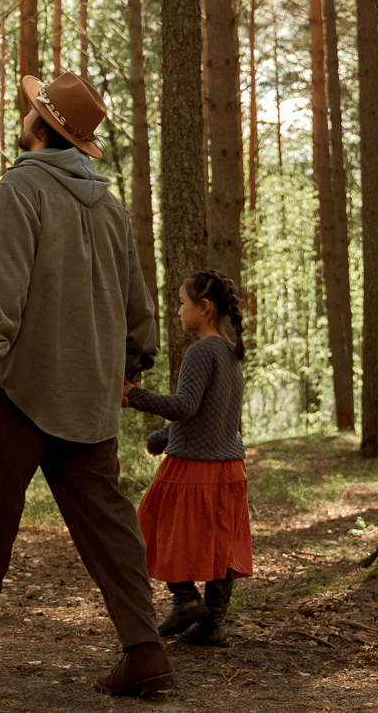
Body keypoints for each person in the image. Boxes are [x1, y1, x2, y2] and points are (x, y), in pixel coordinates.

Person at [0, 72, 175, 697]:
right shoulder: (110, 204)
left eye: (29, 111)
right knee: (109, 523)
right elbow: (139, 301)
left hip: (26, 389)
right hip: (90, 393)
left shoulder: (20, 187)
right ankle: (146, 652)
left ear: (40, 127)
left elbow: (2, 292)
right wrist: (133, 364)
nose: (23, 116)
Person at [122, 269, 252, 648]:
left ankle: (186, 601)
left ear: (204, 307)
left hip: (194, 467)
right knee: (221, 544)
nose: (178, 312)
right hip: (230, 467)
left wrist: (134, 395)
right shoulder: (230, 352)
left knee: (150, 526)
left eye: (181, 303)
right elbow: (212, 413)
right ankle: (214, 625)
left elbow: (185, 406)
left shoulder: (201, 350)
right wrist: (163, 437)